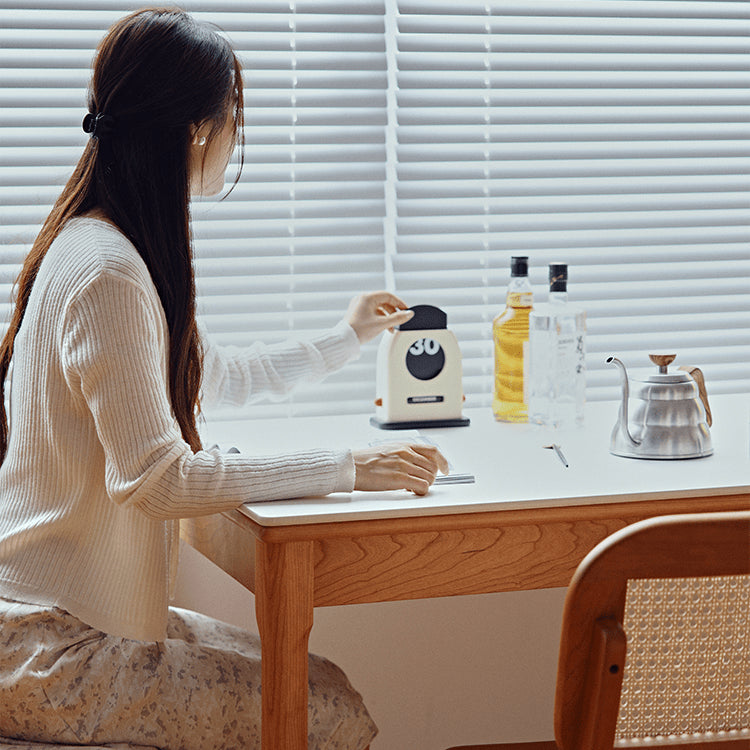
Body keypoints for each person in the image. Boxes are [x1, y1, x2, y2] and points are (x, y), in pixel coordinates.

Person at [0, 7, 448, 749]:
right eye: (233, 119)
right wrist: (347, 469)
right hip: (52, 651)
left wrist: (348, 338)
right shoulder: (110, 272)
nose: (235, 137)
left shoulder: (104, 243)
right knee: (333, 713)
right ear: (196, 131)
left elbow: (209, 375)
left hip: (58, 622)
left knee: (324, 684)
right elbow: (157, 479)